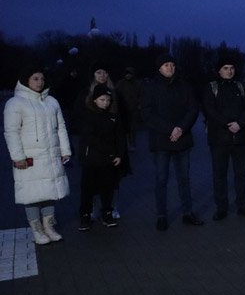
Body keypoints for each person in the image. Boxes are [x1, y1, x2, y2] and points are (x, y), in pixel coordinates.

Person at [4, 67, 72, 244]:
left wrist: (65, 151)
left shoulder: (51, 102)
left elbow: (61, 128)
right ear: (26, 80)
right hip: (29, 158)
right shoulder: (15, 103)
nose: (39, 82)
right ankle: (37, 230)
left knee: (50, 192)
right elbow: (11, 132)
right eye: (35, 78)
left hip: (50, 155)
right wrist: (17, 157)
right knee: (32, 195)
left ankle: (49, 226)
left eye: (42, 79)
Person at [141, 52, 203, 230]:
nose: (170, 67)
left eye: (172, 65)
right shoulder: (151, 87)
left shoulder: (184, 86)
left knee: (184, 179)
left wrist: (181, 128)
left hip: (182, 139)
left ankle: (187, 213)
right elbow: (147, 113)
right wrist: (170, 129)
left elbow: (192, 109)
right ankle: (162, 215)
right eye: (166, 65)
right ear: (159, 68)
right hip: (162, 140)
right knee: (161, 179)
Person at [202, 58, 245, 220]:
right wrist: (227, 124)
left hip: (240, 137)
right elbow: (209, 110)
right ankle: (221, 207)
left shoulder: (241, 86)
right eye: (225, 68)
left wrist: (240, 123)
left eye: (232, 68)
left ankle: (242, 205)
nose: (229, 71)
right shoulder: (212, 87)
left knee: (242, 174)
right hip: (219, 139)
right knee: (220, 174)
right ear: (219, 70)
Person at [77, 83, 127, 230]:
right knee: (87, 189)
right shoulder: (88, 115)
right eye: (102, 100)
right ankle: (85, 216)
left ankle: (107, 213)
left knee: (108, 188)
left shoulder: (113, 116)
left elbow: (119, 136)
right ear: (94, 100)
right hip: (91, 159)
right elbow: (88, 138)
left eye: (108, 100)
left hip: (108, 159)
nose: (105, 103)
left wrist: (119, 154)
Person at [115, 67, 142, 152]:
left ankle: (132, 143)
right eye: (126, 74)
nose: (128, 75)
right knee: (123, 127)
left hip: (133, 109)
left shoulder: (137, 84)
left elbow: (141, 95)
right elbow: (116, 94)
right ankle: (124, 144)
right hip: (123, 109)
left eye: (129, 74)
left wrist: (140, 105)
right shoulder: (120, 83)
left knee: (133, 128)